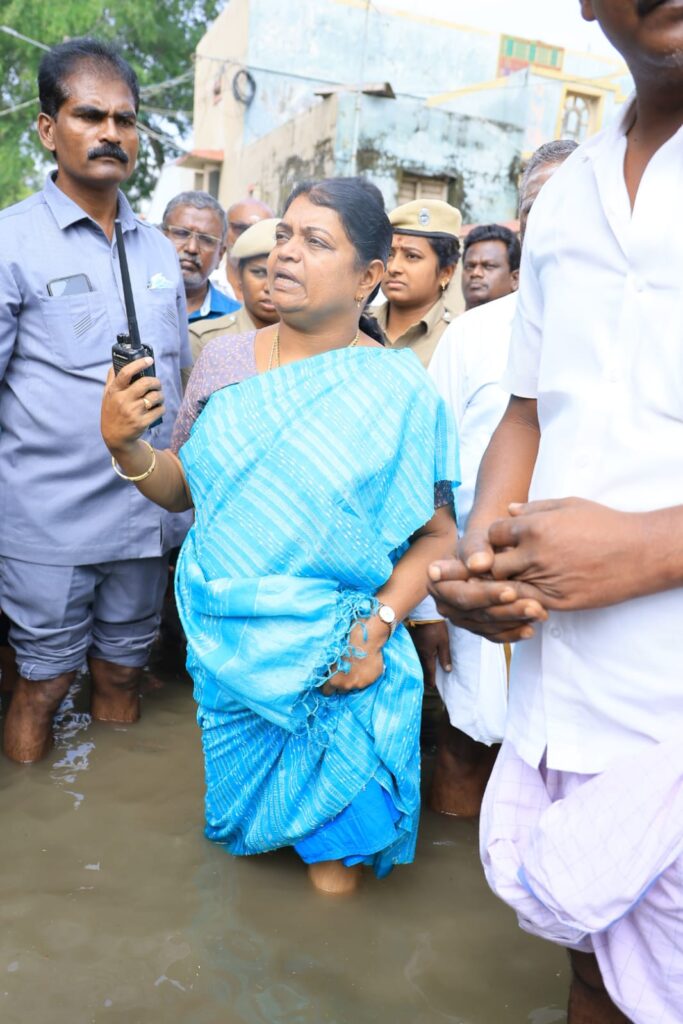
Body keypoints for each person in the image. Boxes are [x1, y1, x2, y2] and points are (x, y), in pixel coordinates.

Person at [428, 1, 683, 1019]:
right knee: (592, 973)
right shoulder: (570, 194)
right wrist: (481, 565)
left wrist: (652, 548)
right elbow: (526, 414)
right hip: (564, 693)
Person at [101, 176, 458, 896]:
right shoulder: (225, 363)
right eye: (285, 235)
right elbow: (185, 487)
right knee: (250, 864)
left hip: (341, 661)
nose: (285, 254)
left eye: (316, 242)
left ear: (368, 276)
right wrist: (127, 447)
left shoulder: (400, 392)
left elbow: (436, 537)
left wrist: (373, 631)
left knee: (333, 878)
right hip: (232, 652)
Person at [0, 38, 191, 764]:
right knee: (43, 684)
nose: (112, 132)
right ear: (49, 129)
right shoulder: (11, 242)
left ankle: (113, 818)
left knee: (122, 675)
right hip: (48, 522)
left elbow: (176, 379)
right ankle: (32, 820)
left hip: (144, 518)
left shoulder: (157, 249)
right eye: (90, 116)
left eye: (126, 119)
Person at [410, 140, 577, 818]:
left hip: (597, 595)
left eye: (576, 201)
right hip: (480, 584)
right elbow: (429, 475)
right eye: (540, 205)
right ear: (520, 224)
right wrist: (428, 606)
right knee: (466, 745)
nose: (559, 219)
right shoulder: (473, 336)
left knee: (573, 772)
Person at [371, 199, 462, 368]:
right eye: (389, 254)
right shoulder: (356, 325)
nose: (394, 268)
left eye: (412, 256)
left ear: (446, 272)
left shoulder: (459, 337)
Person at [189, 217, 279, 363]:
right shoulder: (205, 339)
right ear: (239, 275)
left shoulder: (311, 340)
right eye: (258, 273)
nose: (268, 287)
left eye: (280, 276)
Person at [161, 191, 240, 322]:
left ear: (220, 254)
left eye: (206, 240)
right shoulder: (131, 302)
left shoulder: (235, 319)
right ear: (159, 237)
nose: (192, 248)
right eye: (181, 233)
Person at [211, 195, 275, 299]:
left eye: (260, 232)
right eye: (241, 229)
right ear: (224, 232)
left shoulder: (283, 293)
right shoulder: (206, 286)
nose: (250, 239)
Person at [460, 224, 520, 311]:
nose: (475, 273)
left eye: (488, 266)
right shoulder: (452, 320)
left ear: (515, 279)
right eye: (470, 267)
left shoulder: (531, 319)